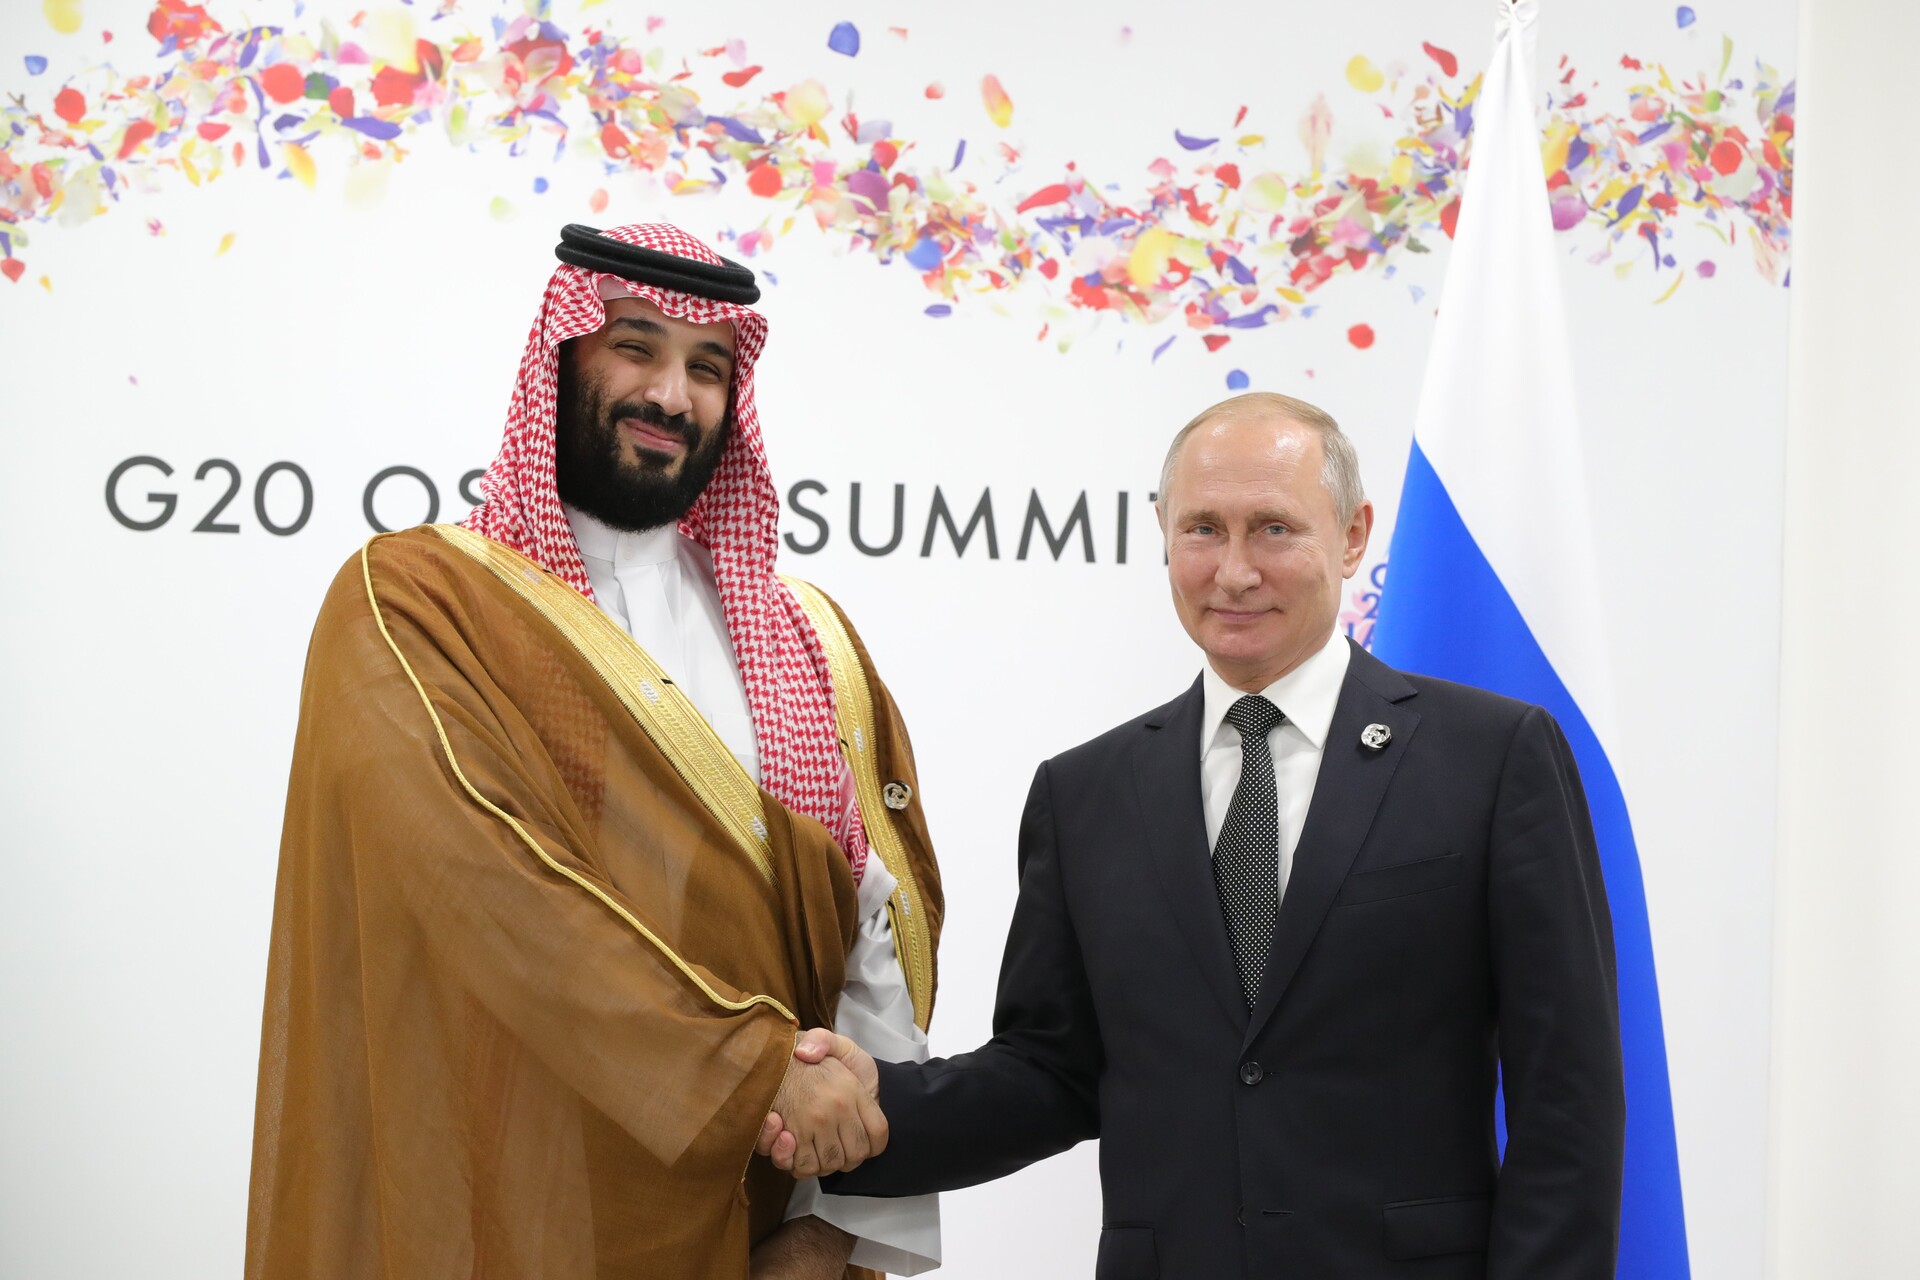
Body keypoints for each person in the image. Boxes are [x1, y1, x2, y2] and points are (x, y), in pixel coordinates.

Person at [246, 223, 942, 1280]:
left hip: (760, 1221)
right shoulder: (423, 600)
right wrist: (748, 1067)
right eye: (636, 346)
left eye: (708, 367)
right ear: (561, 355)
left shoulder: (806, 637)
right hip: (506, 1205)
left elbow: (868, 936)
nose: (672, 395)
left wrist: (841, 1224)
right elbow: (493, 886)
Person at [801, 392, 1625, 1277]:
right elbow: (1049, 1073)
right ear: (1162, 532)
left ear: (1353, 535)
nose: (1233, 572)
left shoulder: (1492, 758)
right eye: (1203, 530)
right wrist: (866, 1107)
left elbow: (1567, 1102)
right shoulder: (1084, 794)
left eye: (1274, 528)